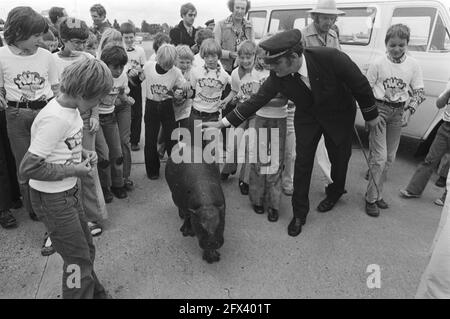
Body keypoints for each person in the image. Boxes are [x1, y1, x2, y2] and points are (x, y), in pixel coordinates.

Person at [201, 29, 379, 237]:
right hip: (308, 118)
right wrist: (222, 124)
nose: (272, 69)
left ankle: (335, 192)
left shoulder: (331, 57)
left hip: (338, 115)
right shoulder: (278, 76)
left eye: (276, 63)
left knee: (339, 158)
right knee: (302, 161)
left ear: (293, 57)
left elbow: (360, 85)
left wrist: (371, 116)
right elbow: (256, 100)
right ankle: (299, 214)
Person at [19, 58, 113, 299]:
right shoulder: (55, 118)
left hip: (68, 194)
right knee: (76, 260)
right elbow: (29, 167)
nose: (100, 103)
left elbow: (64, 143)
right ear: (82, 93)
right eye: (97, 98)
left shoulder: (71, 109)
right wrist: (75, 170)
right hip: (53, 200)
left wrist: (82, 152)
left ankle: (93, 293)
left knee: (85, 250)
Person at [0, 6, 59, 223]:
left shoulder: (46, 56)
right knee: (24, 164)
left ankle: (51, 202)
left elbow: (56, 89)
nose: (40, 39)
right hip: (16, 115)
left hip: (44, 112)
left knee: (48, 159)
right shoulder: (1, 56)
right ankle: (33, 208)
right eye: (35, 35)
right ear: (18, 33)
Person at [364, 24, 425, 217]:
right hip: (380, 111)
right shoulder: (378, 64)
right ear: (386, 44)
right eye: (392, 45)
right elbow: (365, 90)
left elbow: (419, 91)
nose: (397, 49)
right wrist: (370, 115)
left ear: (407, 44)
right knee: (379, 158)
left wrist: (410, 110)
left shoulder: (413, 65)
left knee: (389, 159)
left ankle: (378, 193)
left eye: (401, 45)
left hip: (398, 113)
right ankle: (370, 199)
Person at [55, 17, 107, 237]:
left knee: (87, 168)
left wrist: (94, 114)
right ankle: (68, 218)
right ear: (62, 39)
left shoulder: (87, 57)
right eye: (75, 42)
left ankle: (93, 216)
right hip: (63, 120)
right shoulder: (52, 61)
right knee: (65, 170)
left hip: (85, 120)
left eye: (83, 42)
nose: (80, 47)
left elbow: (95, 90)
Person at [297, 0, 345, 191]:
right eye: (325, 17)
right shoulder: (302, 35)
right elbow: (296, 65)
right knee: (301, 151)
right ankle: (290, 183)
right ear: (315, 17)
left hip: (329, 99)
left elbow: (339, 61)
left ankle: (330, 183)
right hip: (308, 98)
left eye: (332, 18)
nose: (329, 22)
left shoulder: (333, 35)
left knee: (326, 146)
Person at [248, 44, 288, 221]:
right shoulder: (256, 74)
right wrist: (276, 96)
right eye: (260, 58)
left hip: (280, 119)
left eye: (267, 58)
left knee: (276, 161)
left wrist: (269, 97)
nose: (263, 61)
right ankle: (257, 199)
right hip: (262, 118)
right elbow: (256, 98)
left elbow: (284, 100)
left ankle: (274, 204)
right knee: (259, 158)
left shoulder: (282, 72)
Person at [400, 77, 450, 201]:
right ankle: (413, 190)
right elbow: (439, 104)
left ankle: (446, 199)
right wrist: (448, 92)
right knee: (430, 159)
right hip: (446, 126)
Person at [220, 40, 259, 195]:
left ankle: (246, 179)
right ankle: (229, 167)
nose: (245, 61)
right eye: (242, 58)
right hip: (241, 111)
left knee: (251, 145)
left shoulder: (261, 72)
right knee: (234, 141)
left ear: (255, 56)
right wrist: (226, 100)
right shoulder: (236, 73)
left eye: (249, 58)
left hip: (257, 113)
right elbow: (234, 91)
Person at [142, 44, 186, 179]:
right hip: (151, 106)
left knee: (172, 138)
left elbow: (182, 86)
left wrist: (180, 91)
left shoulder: (176, 71)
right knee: (150, 140)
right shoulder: (148, 66)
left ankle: (174, 168)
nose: (167, 68)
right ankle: (152, 170)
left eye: (170, 65)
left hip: (167, 106)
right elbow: (138, 78)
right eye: (164, 64)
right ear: (158, 58)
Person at [97, 45, 133, 202]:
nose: (118, 70)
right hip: (96, 118)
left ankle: (117, 184)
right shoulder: (98, 76)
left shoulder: (123, 76)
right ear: (105, 64)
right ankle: (104, 187)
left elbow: (121, 92)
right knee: (103, 155)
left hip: (110, 117)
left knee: (117, 152)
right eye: (115, 67)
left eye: (121, 67)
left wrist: (126, 99)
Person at [189, 38, 231, 142]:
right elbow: (192, 91)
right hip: (196, 114)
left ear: (219, 56)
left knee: (210, 150)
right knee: (195, 148)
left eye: (213, 56)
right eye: (207, 56)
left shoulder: (224, 75)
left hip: (213, 116)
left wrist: (227, 100)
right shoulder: (195, 72)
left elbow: (236, 87)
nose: (210, 59)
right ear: (202, 56)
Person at [120, 22, 147, 152]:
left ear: (135, 36)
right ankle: (125, 138)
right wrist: (128, 70)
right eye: (126, 37)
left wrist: (138, 70)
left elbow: (144, 67)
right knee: (125, 112)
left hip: (136, 84)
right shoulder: (120, 50)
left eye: (131, 37)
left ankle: (135, 140)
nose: (129, 40)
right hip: (124, 82)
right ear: (122, 37)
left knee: (137, 112)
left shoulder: (140, 51)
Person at [214, 0, 254, 74]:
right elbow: (215, 49)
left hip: (244, 69)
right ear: (232, 8)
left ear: (246, 10)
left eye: (242, 8)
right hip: (224, 70)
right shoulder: (220, 25)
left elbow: (253, 48)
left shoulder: (249, 26)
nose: (239, 11)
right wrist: (229, 54)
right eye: (237, 8)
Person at [174, 45, 194, 129]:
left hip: (187, 109)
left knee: (185, 133)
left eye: (188, 62)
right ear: (175, 61)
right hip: (172, 109)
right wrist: (173, 92)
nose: (185, 65)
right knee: (167, 135)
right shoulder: (172, 72)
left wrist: (189, 82)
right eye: (181, 62)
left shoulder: (193, 73)